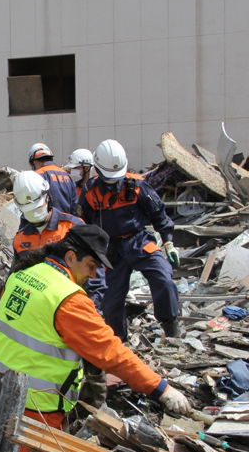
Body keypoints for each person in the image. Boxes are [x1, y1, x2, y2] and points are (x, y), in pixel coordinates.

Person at [0, 225, 191, 452]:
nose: (93, 275)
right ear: (71, 257)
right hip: (35, 404)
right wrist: (161, 389)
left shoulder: (25, 273)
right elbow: (111, 353)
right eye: (91, 266)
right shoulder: (67, 298)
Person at [79, 139, 181, 340]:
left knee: (163, 278)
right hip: (111, 250)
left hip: (139, 240)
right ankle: (119, 341)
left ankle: (171, 328)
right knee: (110, 301)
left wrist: (168, 242)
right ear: (98, 170)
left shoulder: (138, 186)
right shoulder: (90, 193)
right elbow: (83, 224)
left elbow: (159, 214)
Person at [12, 170, 106, 311]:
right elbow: (15, 279)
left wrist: (91, 310)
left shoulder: (73, 227)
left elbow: (94, 277)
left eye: (37, 207)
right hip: (38, 313)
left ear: (48, 197)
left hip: (71, 306)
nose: (35, 214)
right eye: (29, 210)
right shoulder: (20, 239)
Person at [28, 142, 77, 215]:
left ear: (34, 161)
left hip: (48, 224)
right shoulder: (67, 175)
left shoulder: (36, 176)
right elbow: (75, 205)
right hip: (67, 224)